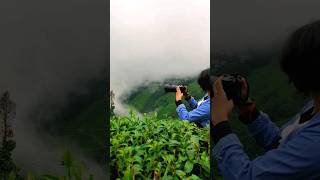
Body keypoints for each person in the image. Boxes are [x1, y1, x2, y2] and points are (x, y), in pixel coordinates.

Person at [211, 20, 320, 179]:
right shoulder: (313, 106)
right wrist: (250, 112)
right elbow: (282, 146)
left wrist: (219, 123)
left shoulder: (316, 143)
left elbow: (245, 176)